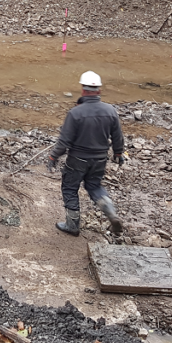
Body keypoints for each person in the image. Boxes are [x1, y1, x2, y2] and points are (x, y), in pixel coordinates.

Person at [47, 70, 125, 236]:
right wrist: (118, 154)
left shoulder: (75, 113)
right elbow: (118, 136)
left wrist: (53, 156)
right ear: (99, 91)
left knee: (69, 188)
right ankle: (110, 211)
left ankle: (72, 225)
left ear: (83, 90)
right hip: (99, 160)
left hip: (77, 160)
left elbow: (64, 141)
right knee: (94, 186)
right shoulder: (110, 111)